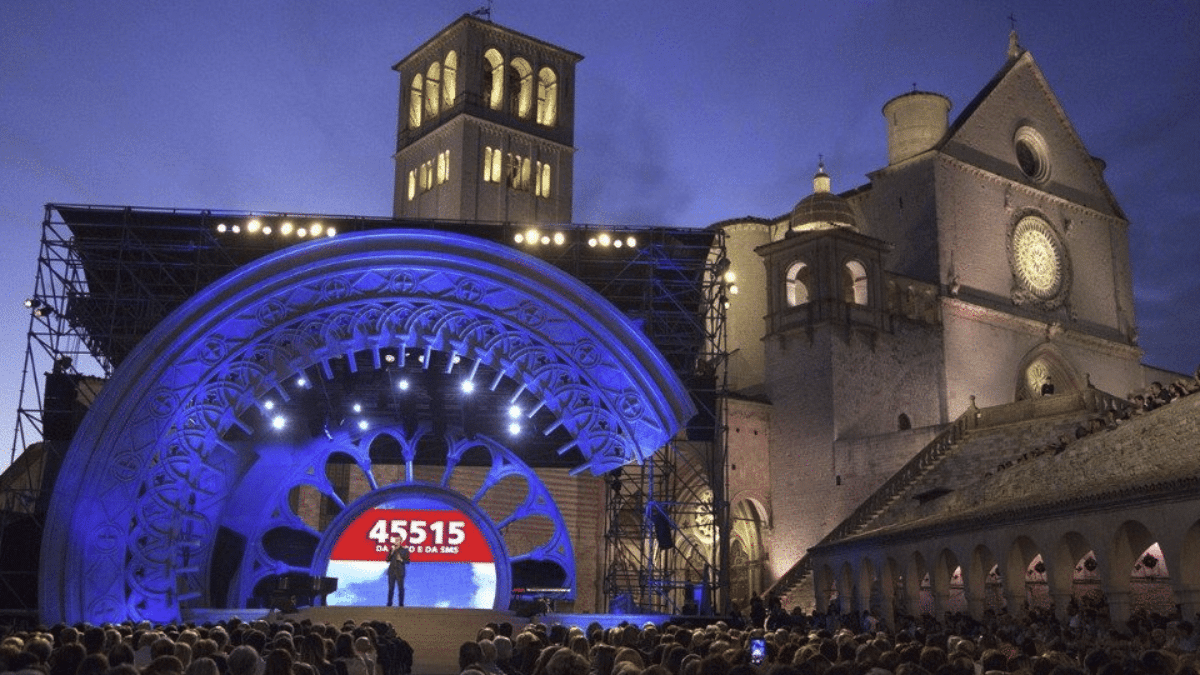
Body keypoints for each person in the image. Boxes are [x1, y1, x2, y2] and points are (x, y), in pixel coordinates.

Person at [386, 538, 411, 607]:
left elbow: (408, 561)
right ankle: (389, 603)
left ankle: (401, 604)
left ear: (401, 541)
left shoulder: (404, 550)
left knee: (401, 588)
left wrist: (401, 560)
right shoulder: (392, 550)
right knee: (391, 588)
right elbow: (387, 560)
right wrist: (391, 552)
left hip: (400, 572)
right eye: (395, 540)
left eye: (398, 540)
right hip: (392, 572)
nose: (396, 541)